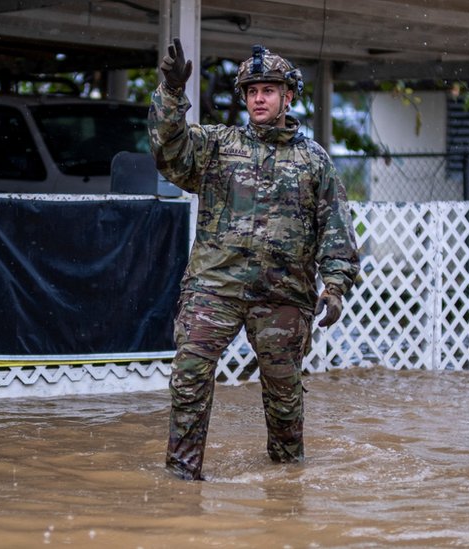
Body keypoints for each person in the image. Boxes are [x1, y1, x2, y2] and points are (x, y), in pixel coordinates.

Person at [148, 40, 360, 480]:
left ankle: (287, 484)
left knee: (284, 396)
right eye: (251, 91)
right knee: (189, 376)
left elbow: (335, 231)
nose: (259, 98)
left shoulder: (313, 161)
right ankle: (180, 481)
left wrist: (336, 287)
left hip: (283, 295)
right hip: (214, 287)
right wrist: (171, 92)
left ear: (288, 96)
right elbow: (168, 152)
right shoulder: (217, 146)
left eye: (268, 90)